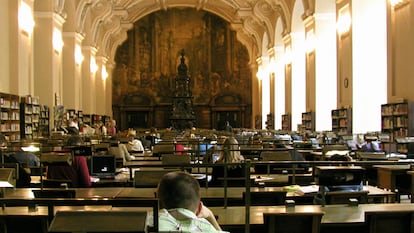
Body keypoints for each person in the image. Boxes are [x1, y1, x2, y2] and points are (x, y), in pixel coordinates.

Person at [156, 171, 225, 232]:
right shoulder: (205, 226)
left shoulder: (149, 223)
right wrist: (210, 216)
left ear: (157, 202)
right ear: (200, 208)